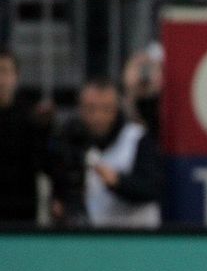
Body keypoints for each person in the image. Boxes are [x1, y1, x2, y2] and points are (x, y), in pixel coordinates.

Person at [50, 77, 162, 228]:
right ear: (80, 109)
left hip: (137, 238)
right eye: (90, 109)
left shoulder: (137, 139)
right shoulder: (72, 140)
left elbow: (152, 188)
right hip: (95, 240)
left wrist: (117, 181)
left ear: (116, 109)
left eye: (106, 109)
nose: (98, 117)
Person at [0, 50, 52, 226]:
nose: (1, 80)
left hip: (22, 211)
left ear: (16, 76)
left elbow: (44, 160)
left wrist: (46, 128)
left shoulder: (31, 116)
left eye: (5, 71)